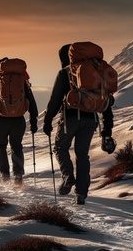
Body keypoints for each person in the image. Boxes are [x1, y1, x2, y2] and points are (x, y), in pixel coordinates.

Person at [43, 44, 114, 205]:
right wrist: (107, 130)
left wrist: (48, 121)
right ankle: (81, 194)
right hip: (91, 120)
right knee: (82, 155)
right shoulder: (96, 73)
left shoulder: (64, 73)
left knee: (60, 147)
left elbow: (55, 100)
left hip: (70, 118)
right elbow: (106, 103)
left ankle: (68, 177)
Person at [0, 58, 39, 184]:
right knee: (16, 147)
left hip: (2, 120)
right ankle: (18, 175)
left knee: (1, 146)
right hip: (18, 120)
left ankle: (5, 175)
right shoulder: (22, 82)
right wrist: (34, 120)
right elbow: (31, 101)